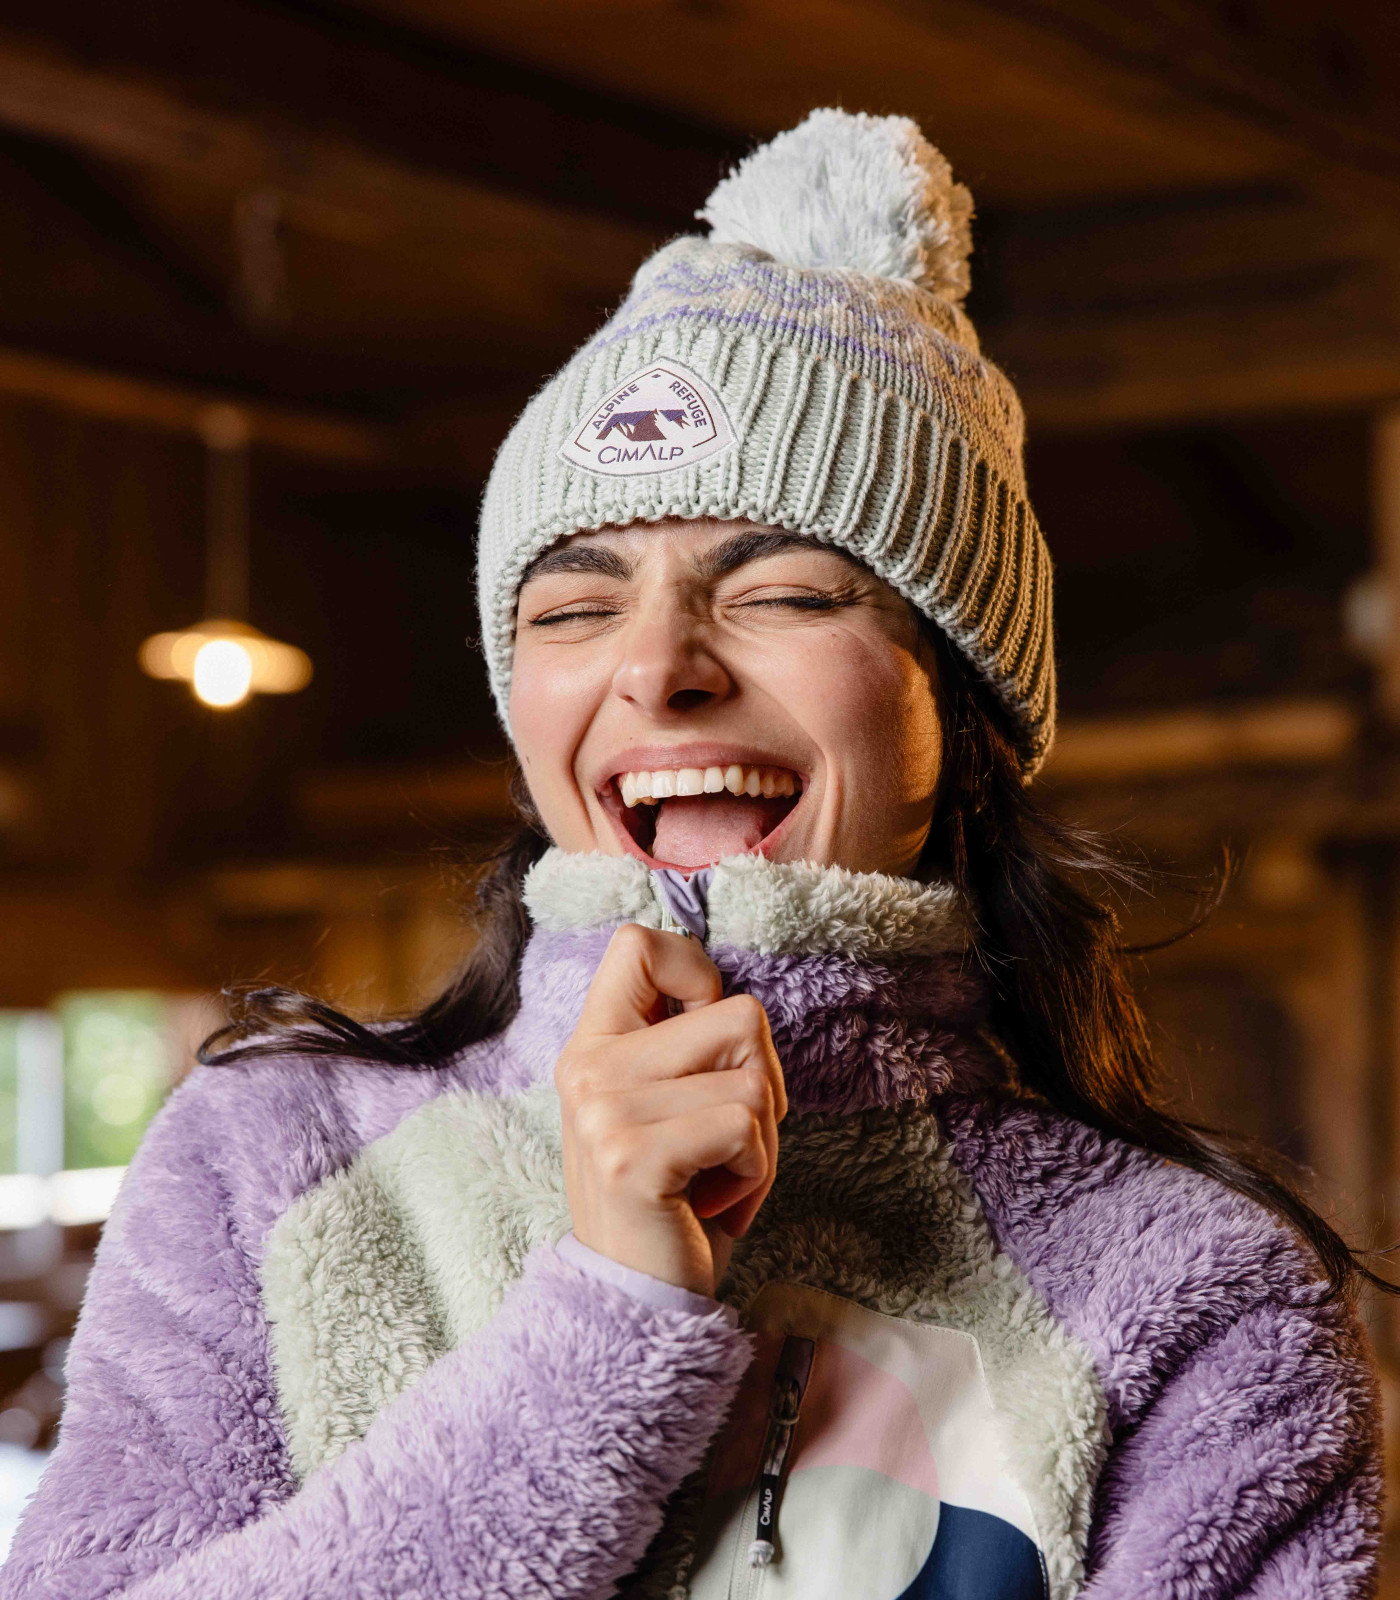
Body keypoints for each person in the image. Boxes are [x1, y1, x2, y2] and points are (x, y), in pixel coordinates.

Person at [1, 109, 1382, 1600]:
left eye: (784, 592)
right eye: (574, 609)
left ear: (962, 707)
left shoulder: (1194, 1290)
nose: (658, 669)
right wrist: (605, 1325)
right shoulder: (273, 1161)